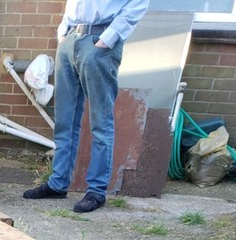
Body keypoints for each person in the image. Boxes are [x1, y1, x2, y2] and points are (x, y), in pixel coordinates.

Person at [23, 0, 150, 213]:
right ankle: (58, 183)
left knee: (101, 122)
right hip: (71, 40)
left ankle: (96, 190)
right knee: (65, 120)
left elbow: (136, 4)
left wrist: (107, 39)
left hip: (99, 41)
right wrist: (63, 34)